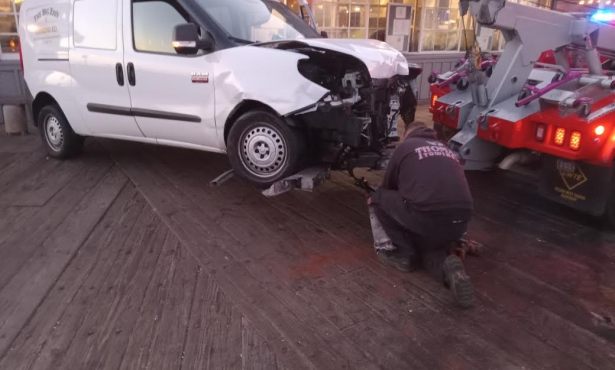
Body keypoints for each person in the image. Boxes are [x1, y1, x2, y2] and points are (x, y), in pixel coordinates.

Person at [368, 121, 475, 308]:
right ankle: (450, 272)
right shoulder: (446, 148)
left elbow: (388, 186)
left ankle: (402, 254)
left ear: (407, 134)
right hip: (461, 221)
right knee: (429, 249)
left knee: (378, 197)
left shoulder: (406, 146)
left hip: (427, 215)